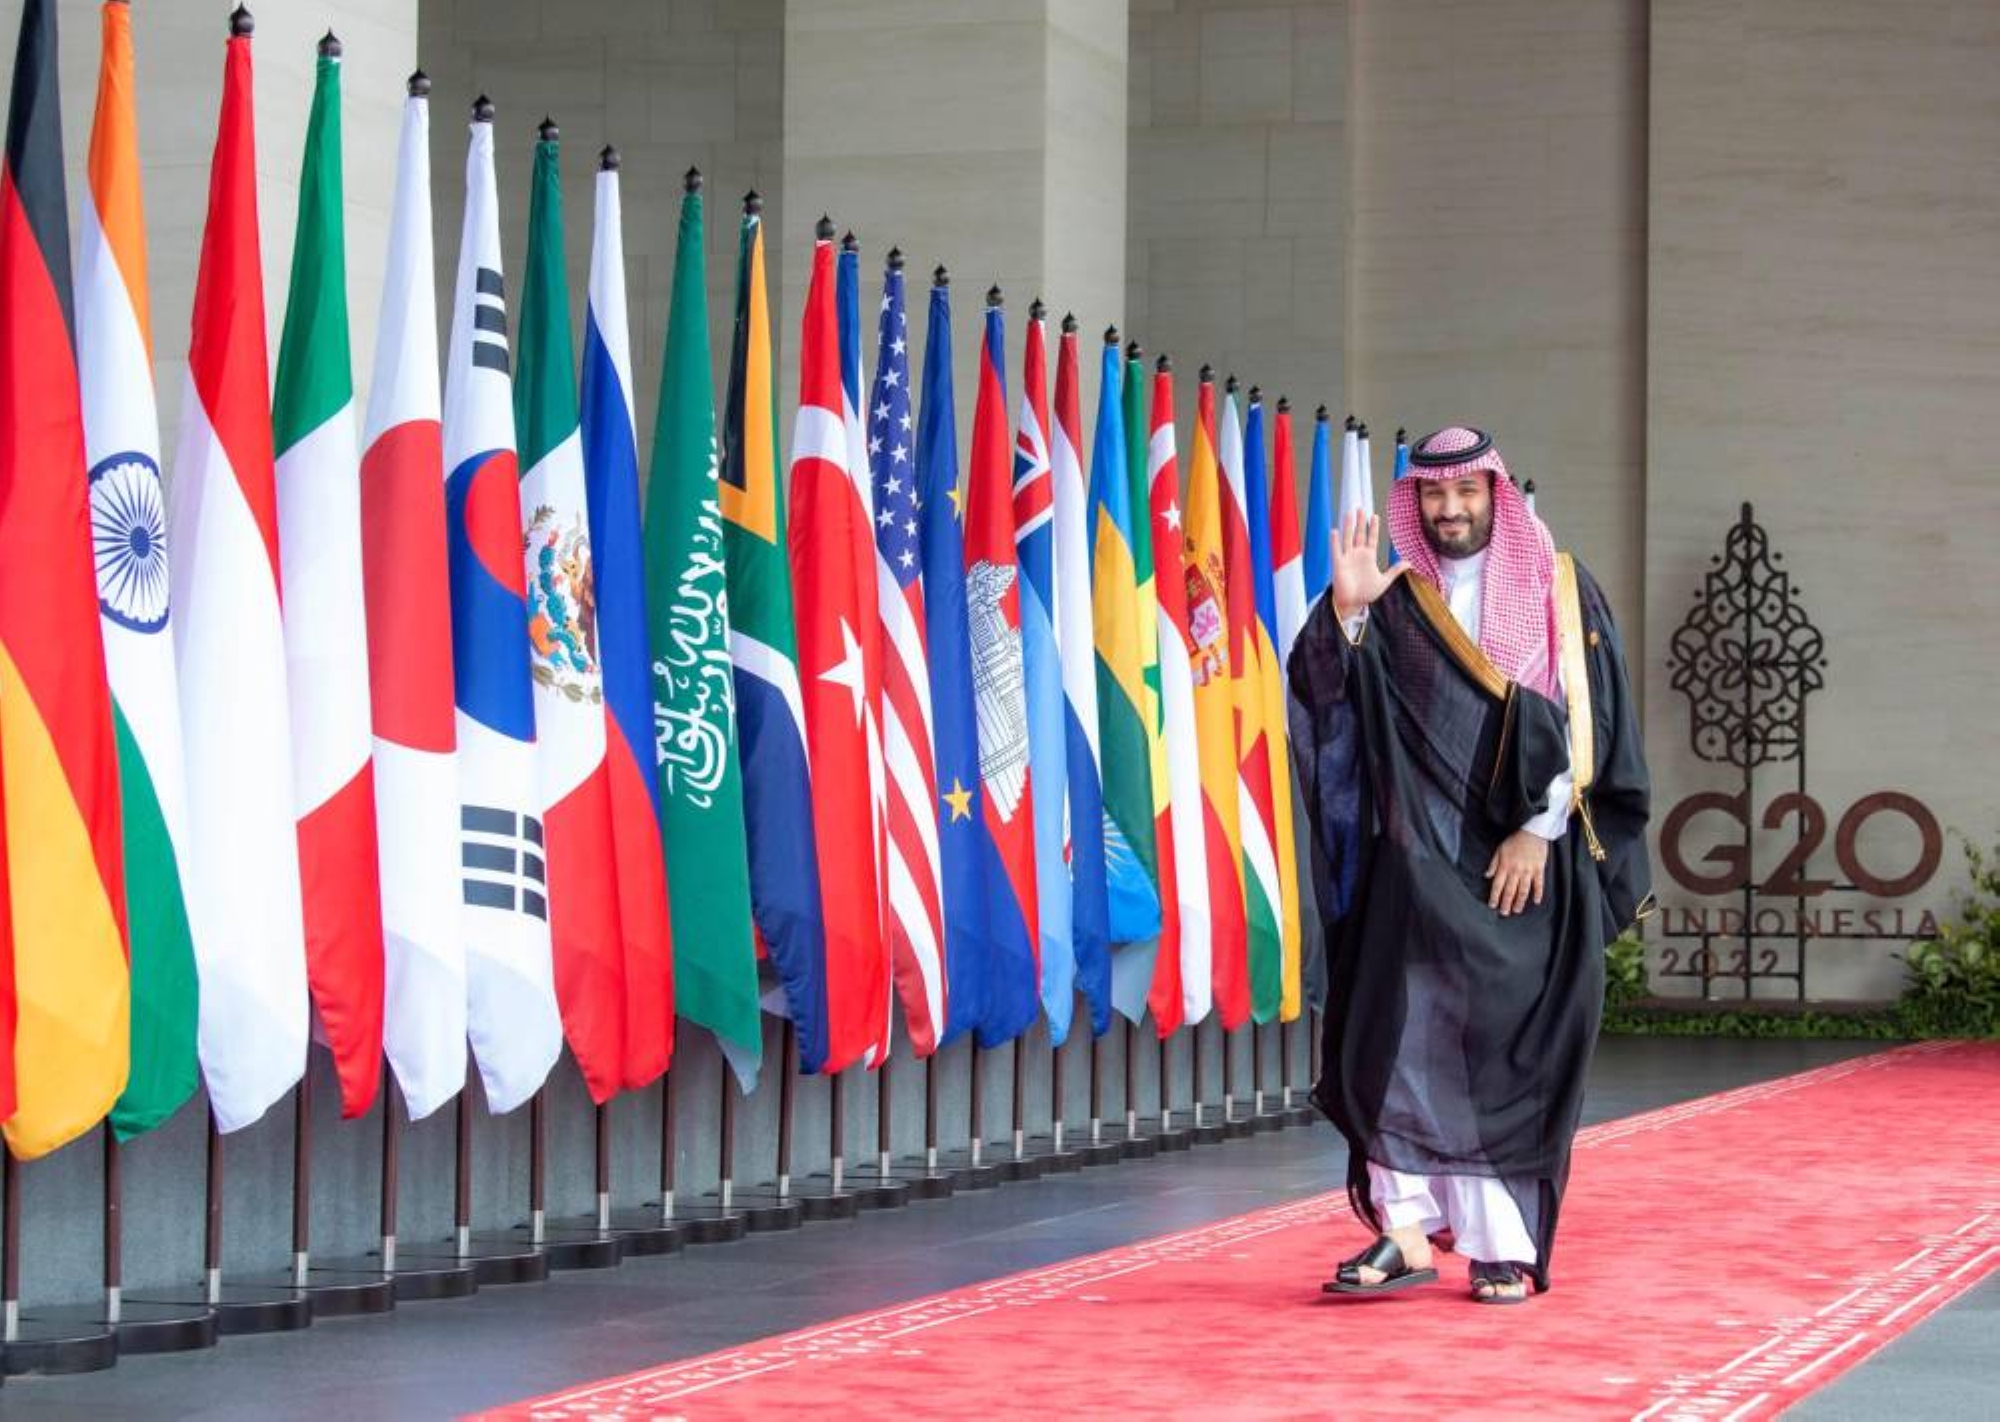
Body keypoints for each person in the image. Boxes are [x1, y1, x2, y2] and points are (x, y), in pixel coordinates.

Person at [1286, 426, 1651, 1304]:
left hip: (1522, 859)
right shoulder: (1398, 592)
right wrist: (1347, 616)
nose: (1451, 510)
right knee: (1386, 1030)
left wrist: (1536, 828)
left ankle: (1499, 1242)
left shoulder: (1561, 588)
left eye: (1468, 494)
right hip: (1413, 859)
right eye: (1435, 496)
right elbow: (1330, 705)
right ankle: (1403, 1229)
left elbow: (1589, 724)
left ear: (1496, 493)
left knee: (1499, 1047)